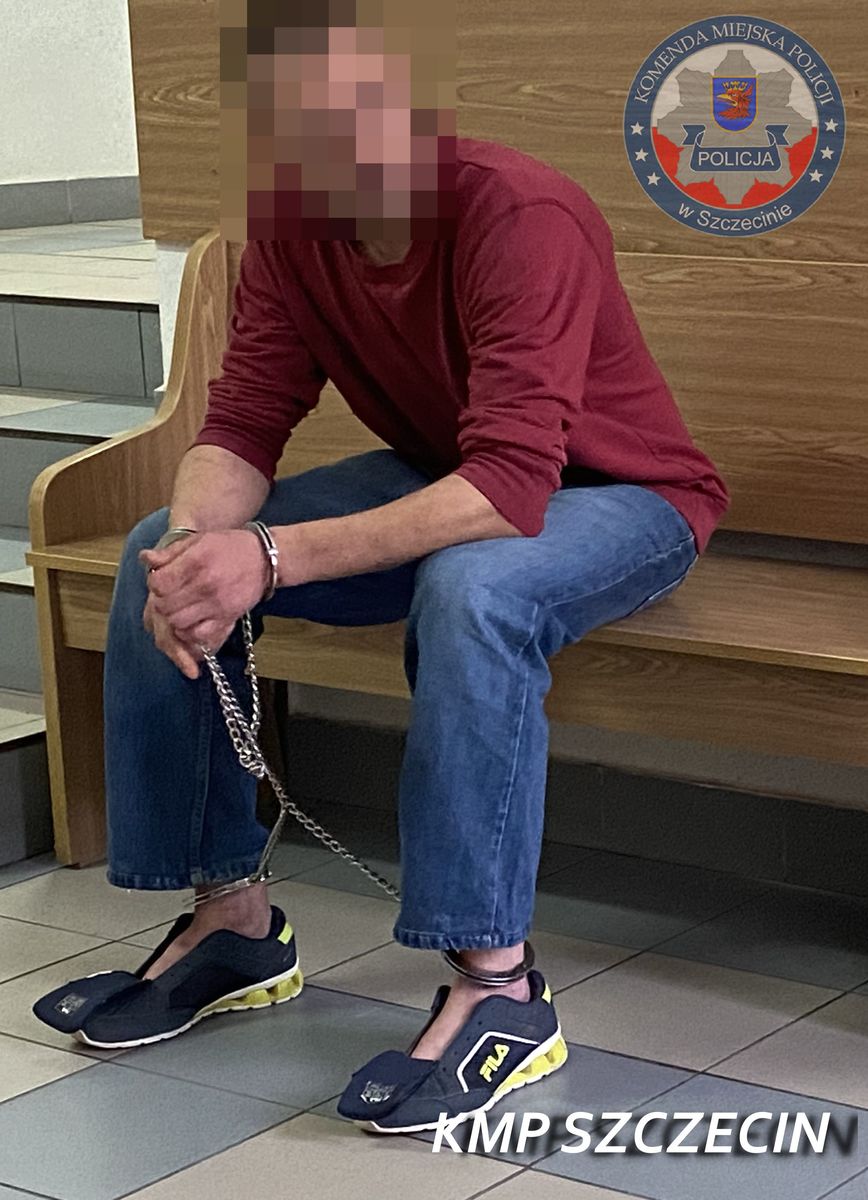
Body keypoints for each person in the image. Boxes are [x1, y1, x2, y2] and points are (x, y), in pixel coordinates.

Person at [33, 14, 730, 1133]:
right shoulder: (292, 229)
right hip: (452, 471)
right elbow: (244, 421)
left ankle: (501, 990)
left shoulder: (522, 213)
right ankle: (231, 921)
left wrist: (267, 557)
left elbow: (510, 487)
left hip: (628, 494)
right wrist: (197, 555)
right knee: (158, 544)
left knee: (476, 591)